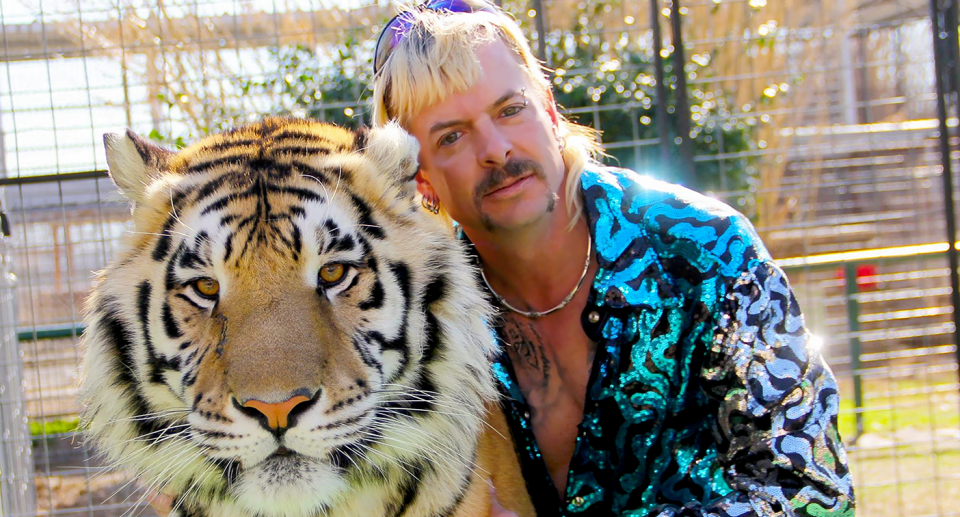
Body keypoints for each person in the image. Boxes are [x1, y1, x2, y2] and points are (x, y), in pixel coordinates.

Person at [370, 1, 855, 516]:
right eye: (453, 136)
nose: (496, 149)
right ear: (421, 179)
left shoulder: (708, 251)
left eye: (511, 110)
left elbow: (811, 490)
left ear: (551, 113)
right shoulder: (420, 326)